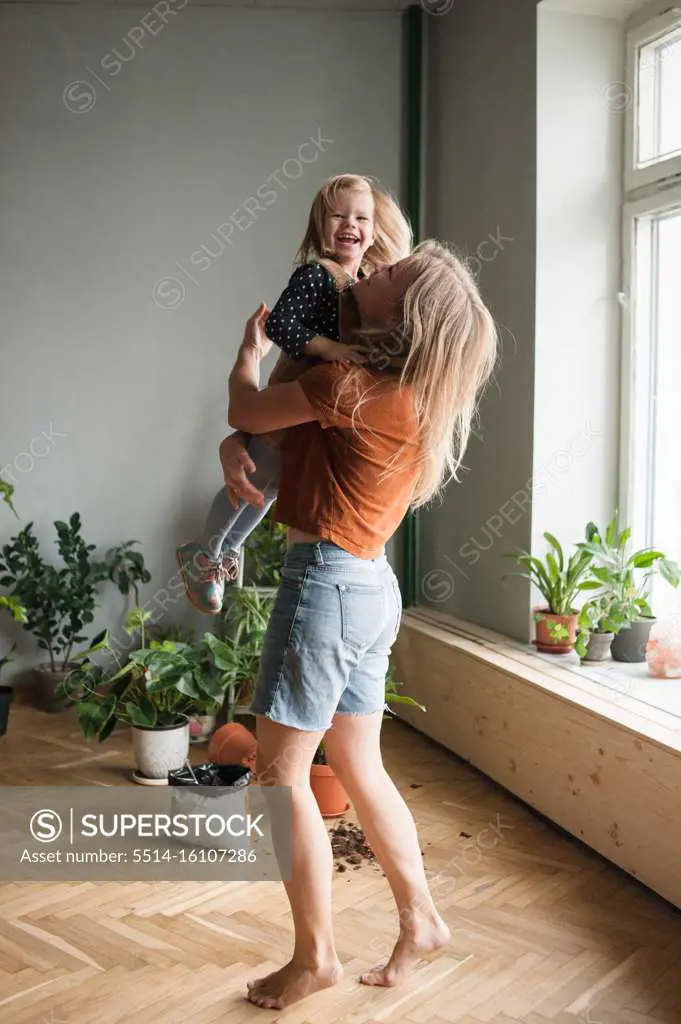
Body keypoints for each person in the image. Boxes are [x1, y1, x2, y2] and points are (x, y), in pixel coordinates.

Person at [222, 239, 498, 1011]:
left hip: (326, 586)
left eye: (388, 275)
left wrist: (246, 354)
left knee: (276, 776)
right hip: (371, 586)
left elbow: (247, 410)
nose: (371, 268)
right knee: (359, 766)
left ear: (402, 317)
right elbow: (273, 444)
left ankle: (314, 958)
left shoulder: (350, 383)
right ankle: (423, 920)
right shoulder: (413, 393)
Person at [176, 174, 412, 614]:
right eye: (338, 215)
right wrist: (330, 348)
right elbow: (280, 325)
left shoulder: (360, 283)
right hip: (295, 393)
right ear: (320, 226)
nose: (350, 224)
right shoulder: (315, 275)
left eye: (361, 217)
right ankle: (205, 551)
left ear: (375, 231)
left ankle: (226, 549)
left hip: (310, 413)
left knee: (266, 490)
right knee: (252, 479)